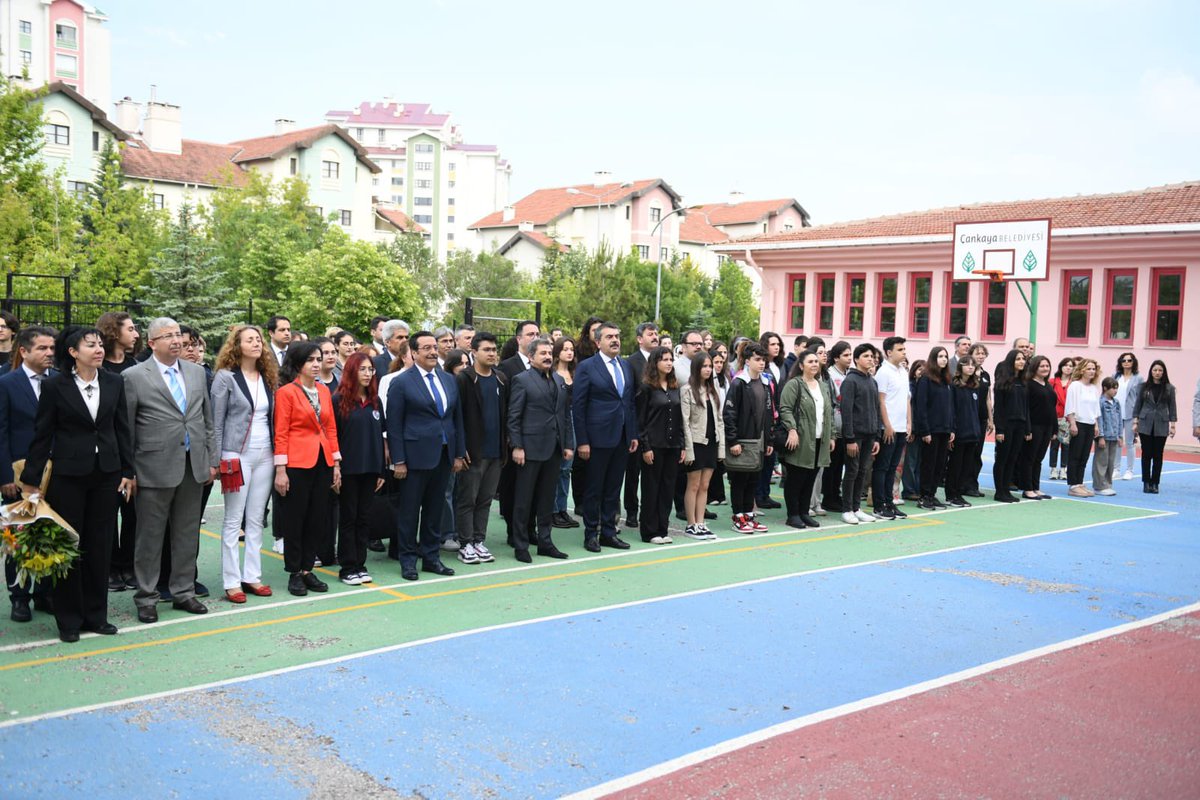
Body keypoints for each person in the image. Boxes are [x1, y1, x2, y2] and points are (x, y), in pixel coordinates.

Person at [19, 327, 134, 642]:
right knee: (70, 547)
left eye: (100, 344)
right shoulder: (56, 386)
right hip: (68, 477)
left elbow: (121, 428)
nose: (98, 349)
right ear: (72, 352)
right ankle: (68, 620)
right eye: (90, 345)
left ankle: (97, 616)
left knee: (100, 547)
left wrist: (128, 469)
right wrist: (30, 480)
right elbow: (42, 435)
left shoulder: (114, 381)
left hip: (106, 474)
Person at [125, 318, 218, 623]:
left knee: (187, 534)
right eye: (168, 336)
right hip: (152, 468)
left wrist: (211, 459)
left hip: (193, 466)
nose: (176, 341)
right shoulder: (134, 376)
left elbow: (207, 419)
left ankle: (183, 592)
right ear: (152, 343)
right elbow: (127, 428)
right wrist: (130, 470)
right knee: (150, 537)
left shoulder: (195, 372)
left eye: (178, 335)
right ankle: (147, 597)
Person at [386, 331, 466, 580]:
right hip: (414, 457)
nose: (433, 352)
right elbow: (394, 425)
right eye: (427, 348)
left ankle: (432, 558)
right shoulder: (401, 382)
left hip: (443, 455)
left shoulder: (448, 380)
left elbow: (456, 420)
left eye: (435, 347)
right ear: (413, 352)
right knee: (409, 513)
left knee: (434, 511)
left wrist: (458, 454)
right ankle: (408, 561)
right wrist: (398, 460)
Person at [210, 325, 277, 604]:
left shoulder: (267, 377)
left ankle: (252, 576)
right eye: (249, 339)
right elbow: (216, 422)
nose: (256, 343)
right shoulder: (225, 378)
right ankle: (231, 581)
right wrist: (216, 460)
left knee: (255, 518)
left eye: (258, 339)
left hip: (266, 455)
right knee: (233, 520)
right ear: (236, 346)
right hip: (236, 455)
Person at [273, 342, 342, 594]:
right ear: (298, 364)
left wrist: (335, 463)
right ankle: (294, 571)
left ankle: (307, 569)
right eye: (310, 360)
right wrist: (281, 469)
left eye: (318, 359)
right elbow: (280, 432)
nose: (316, 364)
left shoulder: (324, 392)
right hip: (296, 462)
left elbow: (331, 428)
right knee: (295, 518)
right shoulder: (286, 393)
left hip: (322, 461)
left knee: (317, 518)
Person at [0, 326, 57, 623]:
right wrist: (5, 475)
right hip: (19, 475)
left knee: (51, 532)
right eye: (42, 348)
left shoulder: (60, 381)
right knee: (18, 536)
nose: (49, 353)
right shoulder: (6, 383)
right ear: (24, 351)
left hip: (56, 471)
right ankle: (19, 596)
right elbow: (1, 432)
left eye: (52, 348)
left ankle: (45, 592)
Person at [572, 321, 638, 552]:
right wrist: (582, 440)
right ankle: (591, 534)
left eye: (617, 336)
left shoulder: (626, 366)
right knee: (594, 489)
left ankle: (609, 532)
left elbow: (628, 403)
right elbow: (578, 406)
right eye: (609, 336)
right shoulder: (587, 367)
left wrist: (632, 433)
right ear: (598, 342)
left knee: (613, 488)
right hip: (596, 439)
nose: (615, 340)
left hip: (621, 437)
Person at [508, 337, 574, 561]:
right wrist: (517, 446)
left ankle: (545, 542)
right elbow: (514, 416)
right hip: (529, 449)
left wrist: (567, 444)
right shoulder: (521, 380)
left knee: (547, 500)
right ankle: (521, 545)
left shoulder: (558, 379)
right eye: (542, 353)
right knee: (524, 501)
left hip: (554, 449)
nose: (547, 356)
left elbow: (564, 415)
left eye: (549, 353)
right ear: (530, 357)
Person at [332, 352, 384, 584]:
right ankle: (347, 566)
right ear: (352, 371)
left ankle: (360, 564)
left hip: (370, 470)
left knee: (365, 518)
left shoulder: (375, 401)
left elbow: (380, 437)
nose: (367, 373)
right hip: (348, 471)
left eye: (370, 369)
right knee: (349, 518)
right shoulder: (339, 400)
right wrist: (336, 469)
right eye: (362, 369)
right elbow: (333, 437)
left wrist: (381, 470)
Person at [455, 332, 507, 562]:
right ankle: (464, 543)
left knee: (485, 499)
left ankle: (478, 541)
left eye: (494, 349)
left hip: (496, 452)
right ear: (473, 352)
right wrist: (461, 447)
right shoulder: (464, 379)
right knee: (468, 499)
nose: (492, 353)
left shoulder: (501, 379)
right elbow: (456, 416)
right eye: (487, 349)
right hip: (473, 453)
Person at [723, 343, 776, 534]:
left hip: (759, 441)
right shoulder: (739, 383)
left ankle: (749, 515)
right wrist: (733, 441)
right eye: (757, 359)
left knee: (753, 479)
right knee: (739, 480)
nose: (761, 363)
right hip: (743, 441)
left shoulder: (765, 383)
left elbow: (770, 412)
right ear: (747, 361)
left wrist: (769, 440)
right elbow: (729, 414)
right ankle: (738, 517)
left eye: (764, 360)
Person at [779, 349, 833, 529]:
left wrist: (831, 435)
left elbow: (829, 412)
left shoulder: (822, 385)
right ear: (801, 365)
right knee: (796, 478)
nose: (815, 364)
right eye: (810, 361)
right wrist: (792, 430)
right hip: (801, 439)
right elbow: (785, 409)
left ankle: (804, 512)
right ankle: (793, 514)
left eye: (816, 362)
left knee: (810, 477)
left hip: (819, 438)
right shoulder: (794, 384)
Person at [635, 347, 684, 545]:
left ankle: (662, 528)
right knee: (651, 488)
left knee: (667, 488)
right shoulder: (647, 388)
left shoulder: (674, 387)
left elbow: (679, 419)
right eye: (664, 359)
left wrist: (682, 445)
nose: (669, 362)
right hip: (654, 445)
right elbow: (641, 421)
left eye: (671, 359)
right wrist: (645, 447)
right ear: (655, 362)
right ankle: (649, 530)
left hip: (672, 445)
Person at [681, 351, 723, 540]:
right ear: (696, 369)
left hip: (711, 443)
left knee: (705, 485)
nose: (707, 369)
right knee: (693, 484)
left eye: (709, 366)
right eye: (704, 366)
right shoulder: (687, 390)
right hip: (696, 444)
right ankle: (691, 524)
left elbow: (719, 420)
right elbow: (685, 421)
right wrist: (688, 450)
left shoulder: (713, 390)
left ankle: (700, 522)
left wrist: (721, 447)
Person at [839, 344, 881, 525]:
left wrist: (877, 436)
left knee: (863, 471)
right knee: (852, 471)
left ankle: (857, 507)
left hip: (870, 434)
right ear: (856, 359)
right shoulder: (850, 381)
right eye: (866, 356)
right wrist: (849, 438)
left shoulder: (872, 381)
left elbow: (876, 409)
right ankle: (847, 509)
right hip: (855, 435)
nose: (870, 359)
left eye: (872, 356)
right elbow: (846, 410)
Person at [623, 322, 659, 531]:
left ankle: (649, 509)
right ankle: (631, 511)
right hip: (637, 425)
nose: (654, 336)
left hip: (657, 426)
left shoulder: (661, 359)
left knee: (652, 473)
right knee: (633, 471)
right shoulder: (631, 363)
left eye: (656, 333)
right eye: (650, 334)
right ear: (639, 339)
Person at [913, 345, 955, 510]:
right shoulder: (926, 379)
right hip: (931, 430)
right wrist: (925, 430)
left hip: (944, 429)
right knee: (929, 464)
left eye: (945, 356)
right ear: (933, 359)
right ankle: (924, 496)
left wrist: (951, 428)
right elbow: (921, 406)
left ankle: (932, 494)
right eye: (940, 356)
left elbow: (950, 407)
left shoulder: (946, 381)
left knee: (939, 464)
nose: (944, 359)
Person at [872, 336, 910, 519]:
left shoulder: (903, 371)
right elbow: (881, 401)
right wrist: (887, 425)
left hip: (902, 427)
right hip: (889, 428)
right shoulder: (883, 372)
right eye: (900, 350)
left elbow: (907, 399)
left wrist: (909, 423)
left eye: (904, 349)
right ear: (889, 352)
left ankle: (890, 502)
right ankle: (879, 505)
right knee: (883, 467)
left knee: (893, 467)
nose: (904, 352)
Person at [1132, 359, 1176, 494]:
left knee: (1158, 455)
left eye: (1160, 370)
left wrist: (1172, 425)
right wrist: (1135, 422)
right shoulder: (1143, 387)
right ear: (1151, 371)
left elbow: (1172, 407)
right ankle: (1146, 482)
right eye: (1155, 370)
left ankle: (1155, 483)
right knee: (1146, 454)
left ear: (1164, 372)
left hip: (1162, 424)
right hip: (1145, 423)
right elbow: (1138, 405)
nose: (1157, 373)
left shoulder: (1170, 388)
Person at [992, 349, 1031, 503]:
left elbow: (1026, 407)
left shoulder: (1023, 382)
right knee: (1002, 458)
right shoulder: (1003, 382)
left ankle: (1006, 489)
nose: (1021, 362)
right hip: (1006, 425)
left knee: (1013, 458)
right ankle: (999, 491)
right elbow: (999, 408)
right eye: (1018, 359)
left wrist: (1027, 428)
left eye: (1023, 359)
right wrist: (999, 429)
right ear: (1011, 362)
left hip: (1019, 425)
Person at [755, 331, 786, 511]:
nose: (776, 347)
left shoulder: (780, 366)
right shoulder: (763, 367)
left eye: (778, 344)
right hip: (765, 416)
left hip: (778, 416)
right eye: (773, 344)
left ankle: (765, 494)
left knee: (771, 457)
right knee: (762, 458)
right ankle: (758, 495)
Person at [945, 359, 983, 506]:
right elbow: (951, 410)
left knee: (966, 466)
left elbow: (975, 412)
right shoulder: (954, 386)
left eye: (973, 365)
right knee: (955, 465)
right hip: (959, 433)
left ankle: (958, 493)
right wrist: (952, 430)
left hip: (972, 433)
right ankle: (951, 494)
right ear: (960, 367)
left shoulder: (974, 387)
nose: (970, 367)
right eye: (967, 364)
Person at [551, 336, 579, 529]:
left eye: (571, 349)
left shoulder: (576, 373)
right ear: (558, 352)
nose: (569, 352)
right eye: (565, 349)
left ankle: (562, 509)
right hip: (558, 421)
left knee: (567, 469)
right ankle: (552, 510)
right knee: (556, 468)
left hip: (575, 421)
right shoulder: (552, 374)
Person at [1020, 355, 1056, 501]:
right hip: (1034, 426)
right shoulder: (1028, 385)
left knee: (1038, 459)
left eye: (1047, 366)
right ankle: (1027, 488)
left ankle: (1036, 487)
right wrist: (1027, 429)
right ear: (1034, 367)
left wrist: (1054, 429)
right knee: (1029, 458)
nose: (1045, 368)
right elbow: (1026, 409)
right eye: (1042, 366)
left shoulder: (1048, 385)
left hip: (1046, 427)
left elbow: (1052, 408)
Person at [821, 341, 852, 511]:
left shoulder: (848, 374)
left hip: (846, 427)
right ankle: (828, 497)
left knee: (840, 464)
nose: (849, 358)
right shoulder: (831, 375)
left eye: (850, 355)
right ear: (836, 357)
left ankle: (835, 494)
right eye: (846, 355)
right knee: (831, 465)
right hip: (835, 425)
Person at [1064, 358, 1102, 498]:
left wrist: (1096, 425)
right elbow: (1070, 405)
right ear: (1082, 370)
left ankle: (1079, 482)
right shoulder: (1075, 386)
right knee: (1075, 454)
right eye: (1089, 369)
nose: (1092, 371)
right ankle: (1073, 484)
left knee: (1084, 455)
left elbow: (1095, 409)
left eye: (1093, 369)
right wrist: (1072, 423)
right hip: (1078, 423)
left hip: (1090, 424)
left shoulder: (1093, 388)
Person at [963, 344, 992, 496]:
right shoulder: (968, 374)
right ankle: (964, 484)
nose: (981, 356)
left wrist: (990, 419)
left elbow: (988, 398)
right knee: (968, 452)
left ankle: (973, 484)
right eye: (978, 353)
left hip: (981, 418)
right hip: (969, 419)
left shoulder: (986, 375)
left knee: (977, 453)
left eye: (983, 353)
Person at [706, 343, 731, 507]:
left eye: (721, 362)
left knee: (721, 461)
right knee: (712, 461)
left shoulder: (725, 380)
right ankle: (711, 495)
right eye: (716, 362)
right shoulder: (708, 381)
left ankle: (720, 494)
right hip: (711, 424)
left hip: (723, 422)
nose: (719, 365)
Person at [1113, 353, 1142, 481]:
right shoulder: (1115, 376)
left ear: (1133, 362)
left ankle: (1129, 470)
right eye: (1123, 360)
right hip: (1116, 414)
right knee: (1117, 442)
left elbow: (1141, 398)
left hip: (1131, 414)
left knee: (1129, 443)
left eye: (1129, 360)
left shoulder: (1138, 378)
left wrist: (1138, 417)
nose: (1126, 362)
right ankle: (1116, 469)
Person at [1092, 377, 1122, 497]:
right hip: (1104, 436)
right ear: (1105, 388)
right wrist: (1101, 436)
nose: (1115, 391)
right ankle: (1099, 485)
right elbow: (1100, 420)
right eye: (1113, 388)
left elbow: (1120, 420)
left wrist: (1120, 435)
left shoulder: (1116, 403)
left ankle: (1108, 484)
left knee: (1110, 462)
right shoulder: (1100, 402)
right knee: (1101, 461)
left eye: (1116, 388)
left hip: (1114, 436)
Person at [1048, 357, 1074, 481]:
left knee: (1066, 445)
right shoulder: (1052, 381)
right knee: (1054, 444)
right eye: (1066, 365)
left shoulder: (1074, 384)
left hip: (1068, 418)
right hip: (1054, 417)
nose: (1068, 367)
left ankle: (1063, 469)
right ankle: (1053, 468)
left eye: (1071, 365)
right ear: (1061, 367)